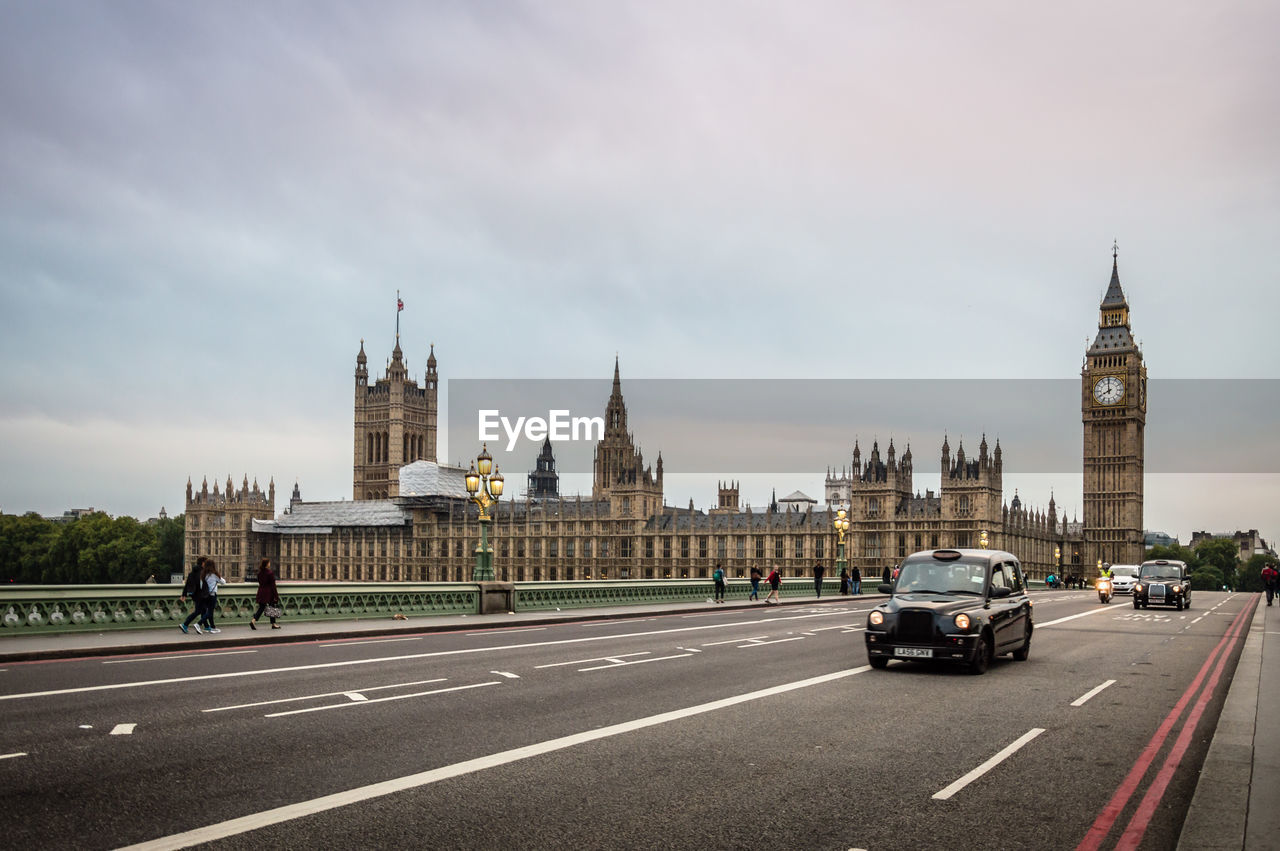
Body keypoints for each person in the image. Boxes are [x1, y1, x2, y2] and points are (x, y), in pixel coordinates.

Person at [251, 557, 282, 628]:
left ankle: (253, 621)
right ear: (267, 564)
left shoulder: (259, 573)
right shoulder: (270, 573)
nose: (270, 564)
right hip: (269, 593)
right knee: (272, 607)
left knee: (261, 608)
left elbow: (260, 582)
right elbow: (273, 586)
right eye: (269, 562)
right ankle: (273, 624)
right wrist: (276, 596)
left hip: (261, 591)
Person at [179, 556, 207, 634]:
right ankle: (185, 624)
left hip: (194, 594)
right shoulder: (202, 572)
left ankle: (206, 626)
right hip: (200, 594)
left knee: (204, 610)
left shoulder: (192, 572)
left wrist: (184, 594)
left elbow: (187, 583)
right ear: (203, 563)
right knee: (199, 611)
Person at [198, 559, 226, 634]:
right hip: (212, 595)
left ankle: (212, 627)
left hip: (205, 595)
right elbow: (224, 582)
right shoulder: (214, 574)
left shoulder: (203, 574)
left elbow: (201, 586)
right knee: (210, 612)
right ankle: (198, 624)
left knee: (209, 611)